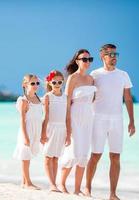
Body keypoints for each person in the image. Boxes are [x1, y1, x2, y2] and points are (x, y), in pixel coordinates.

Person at [85, 44, 136, 200]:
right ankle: (87, 188)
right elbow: (88, 97)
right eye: (110, 54)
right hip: (98, 119)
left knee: (115, 157)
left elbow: (127, 98)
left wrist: (132, 121)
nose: (113, 57)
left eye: (115, 54)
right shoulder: (94, 74)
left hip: (117, 120)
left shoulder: (123, 75)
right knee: (95, 155)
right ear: (102, 56)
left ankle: (113, 194)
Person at [60, 49, 96, 195]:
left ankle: (76, 189)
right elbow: (67, 103)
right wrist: (67, 127)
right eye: (84, 59)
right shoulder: (72, 78)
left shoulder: (91, 79)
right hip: (74, 117)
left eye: (89, 59)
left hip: (88, 118)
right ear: (77, 61)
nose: (87, 62)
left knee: (83, 155)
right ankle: (61, 184)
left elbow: (93, 101)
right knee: (73, 152)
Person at [13, 74, 43, 190]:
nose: (35, 85)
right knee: (25, 156)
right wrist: (25, 136)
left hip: (36, 130)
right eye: (32, 83)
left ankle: (23, 182)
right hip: (27, 130)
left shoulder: (38, 98)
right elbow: (22, 119)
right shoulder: (24, 100)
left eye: (37, 83)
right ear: (25, 85)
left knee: (28, 156)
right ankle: (28, 182)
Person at [40, 70, 69, 192]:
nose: (57, 84)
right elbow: (45, 116)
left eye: (60, 82)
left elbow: (67, 117)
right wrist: (42, 133)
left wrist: (69, 134)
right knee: (48, 156)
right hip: (50, 128)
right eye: (54, 82)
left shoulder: (65, 97)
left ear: (63, 82)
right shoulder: (48, 96)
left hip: (62, 129)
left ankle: (55, 183)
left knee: (56, 157)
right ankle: (51, 184)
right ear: (50, 83)